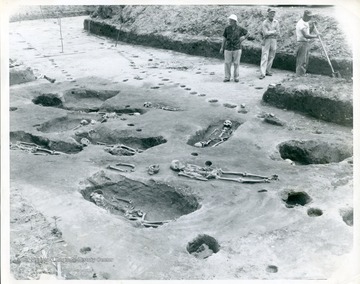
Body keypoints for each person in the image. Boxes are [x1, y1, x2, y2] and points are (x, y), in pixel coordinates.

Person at [220, 14, 248, 83]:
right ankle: (227, 77)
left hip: (237, 48)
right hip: (228, 48)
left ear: (235, 21)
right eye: (230, 20)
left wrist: (243, 38)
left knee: (236, 63)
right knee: (227, 63)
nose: (230, 22)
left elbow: (247, 33)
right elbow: (224, 38)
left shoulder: (240, 28)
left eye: (231, 20)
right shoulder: (227, 28)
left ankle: (236, 77)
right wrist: (222, 47)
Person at [295, 10, 320, 76]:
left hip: (306, 43)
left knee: (305, 60)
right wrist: (316, 36)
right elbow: (306, 35)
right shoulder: (300, 23)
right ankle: (299, 75)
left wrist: (312, 27)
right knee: (301, 61)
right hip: (301, 43)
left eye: (311, 17)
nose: (310, 18)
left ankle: (302, 74)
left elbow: (308, 33)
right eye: (309, 17)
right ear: (305, 16)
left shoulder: (306, 22)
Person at [259, 8, 280, 79]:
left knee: (271, 56)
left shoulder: (276, 22)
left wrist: (270, 32)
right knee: (264, 56)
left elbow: (278, 32)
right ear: (268, 14)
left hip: (274, 40)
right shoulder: (265, 22)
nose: (272, 14)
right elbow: (265, 33)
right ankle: (262, 73)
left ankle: (268, 71)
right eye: (271, 13)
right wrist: (273, 31)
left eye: (273, 13)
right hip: (266, 40)